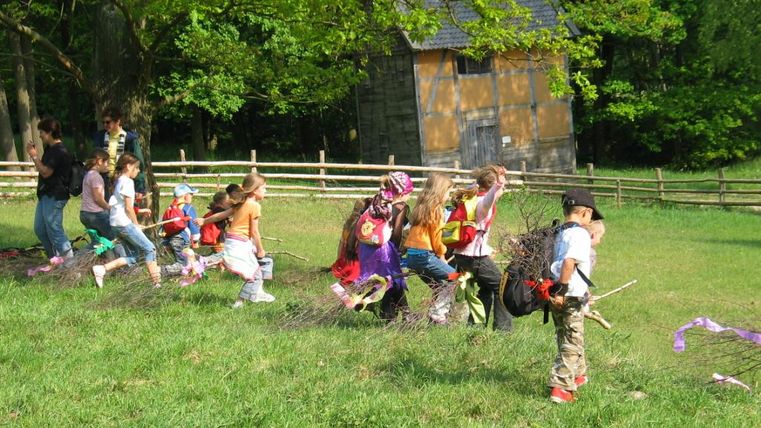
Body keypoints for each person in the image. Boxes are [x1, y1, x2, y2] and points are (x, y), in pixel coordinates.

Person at [548, 188, 604, 404]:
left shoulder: (561, 232)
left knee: (566, 336)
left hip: (556, 292)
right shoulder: (580, 234)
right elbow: (569, 263)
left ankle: (578, 376)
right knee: (572, 341)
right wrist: (563, 290)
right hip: (568, 295)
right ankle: (561, 388)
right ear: (586, 213)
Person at [195, 173, 274, 307]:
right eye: (264, 188)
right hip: (240, 243)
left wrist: (204, 221)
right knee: (255, 275)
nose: (266, 191)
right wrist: (260, 249)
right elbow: (254, 231)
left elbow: (220, 215)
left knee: (261, 266)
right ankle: (202, 262)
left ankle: (244, 300)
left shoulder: (241, 203)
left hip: (234, 240)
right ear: (255, 190)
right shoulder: (254, 206)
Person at [452, 164, 513, 332]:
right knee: (503, 287)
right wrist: (498, 185)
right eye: (502, 187)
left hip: (464, 255)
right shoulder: (482, 204)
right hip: (474, 258)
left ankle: (475, 327)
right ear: (492, 186)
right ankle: (503, 331)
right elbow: (489, 199)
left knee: (486, 288)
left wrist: (486, 248)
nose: (503, 189)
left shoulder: (472, 198)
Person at [91, 153, 161, 288]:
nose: (138, 171)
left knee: (136, 255)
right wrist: (136, 226)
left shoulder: (119, 180)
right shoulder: (128, 182)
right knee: (150, 249)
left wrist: (138, 213)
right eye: (136, 168)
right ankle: (156, 283)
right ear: (128, 166)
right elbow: (128, 208)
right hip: (124, 223)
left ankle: (102, 269)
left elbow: (121, 205)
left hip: (116, 224)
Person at [355, 171, 414, 321]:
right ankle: (391, 317)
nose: (409, 196)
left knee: (387, 281)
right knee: (391, 281)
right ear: (401, 192)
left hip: (366, 248)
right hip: (384, 250)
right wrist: (400, 250)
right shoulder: (400, 206)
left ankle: (402, 315)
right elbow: (397, 234)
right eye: (408, 192)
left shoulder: (378, 200)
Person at [404, 172, 455, 324]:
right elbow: (436, 237)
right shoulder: (437, 210)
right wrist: (442, 255)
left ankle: (436, 317)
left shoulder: (421, 208)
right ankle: (437, 316)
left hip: (412, 257)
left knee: (439, 286)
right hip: (424, 256)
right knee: (456, 278)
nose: (449, 196)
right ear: (440, 191)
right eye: (448, 192)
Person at [26, 117, 73, 261]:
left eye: (42, 132)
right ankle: (54, 259)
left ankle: (71, 264)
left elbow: (46, 172)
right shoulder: (50, 149)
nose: (39, 135)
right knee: (40, 229)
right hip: (46, 194)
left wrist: (34, 156)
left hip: (55, 195)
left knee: (54, 229)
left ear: (50, 132)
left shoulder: (59, 151)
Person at [80, 149, 125, 258]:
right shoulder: (96, 176)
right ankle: (125, 265)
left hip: (85, 213)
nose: (108, 165)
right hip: (96, 215)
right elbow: (98, 198)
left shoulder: (88, 175)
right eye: (107, 162)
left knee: (98, 243)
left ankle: (73, 261)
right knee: (115, 239)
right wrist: (109, 207)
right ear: (99, 161)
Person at [93, 106, 146, 199]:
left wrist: (139, 188)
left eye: (108, 122)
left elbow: (139, 164)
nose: (105, 125)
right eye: (103, 122)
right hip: (103, 180)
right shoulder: (100, 137)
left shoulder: (130, 139)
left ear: (118, 121)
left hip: (123, 180)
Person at [160, 184, 201, 278]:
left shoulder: (170, 209)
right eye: (191, 194)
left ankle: (182, 278)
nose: (192, 197)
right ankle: (158, 271)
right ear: (185, 195)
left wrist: (166, 241)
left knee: (184, 261)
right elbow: (193, 224)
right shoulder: (188, 208)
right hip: (182, 239)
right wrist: (195, 240)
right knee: (182, 264)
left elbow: (165, 225)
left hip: (170, 239)